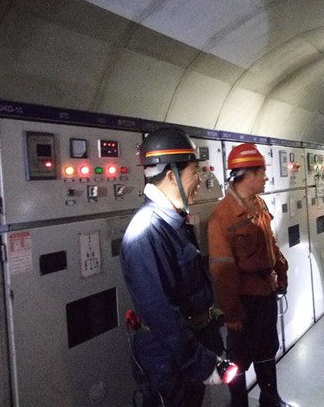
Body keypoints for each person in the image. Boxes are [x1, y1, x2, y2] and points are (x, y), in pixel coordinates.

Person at [120, 127, 225, 407]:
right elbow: (161, 313)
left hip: (186, 348)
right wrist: (199, 363)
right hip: (169, 361)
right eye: (194, 172)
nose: (199, 181)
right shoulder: (146, 232)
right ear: (171, 176)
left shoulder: (172, 221)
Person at [208, 143, 290, 407]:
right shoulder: (223, 217)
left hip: (266, 292)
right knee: (239, 359)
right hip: (244, 300)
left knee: (267, 348)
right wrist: (231, 313)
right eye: (262, 172)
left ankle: (270, 400)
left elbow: (271, 243)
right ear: (247, 175)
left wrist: (281, 270)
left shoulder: (258, 204)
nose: (266, 177)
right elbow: (222, 270)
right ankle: (239, 404)